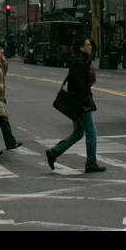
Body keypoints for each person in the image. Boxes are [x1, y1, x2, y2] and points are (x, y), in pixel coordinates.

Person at [45, 37, 106, 174]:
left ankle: (54, 152)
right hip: (80, 104)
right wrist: (86, 103)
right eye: (87, 45)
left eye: (90, 44)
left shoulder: (83, 61)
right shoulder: (80, 63)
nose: (90, 47)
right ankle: (91, 163)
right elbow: (79, 86)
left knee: (78, 133)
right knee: (91, 132)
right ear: (81, 48)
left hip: (78, 103)